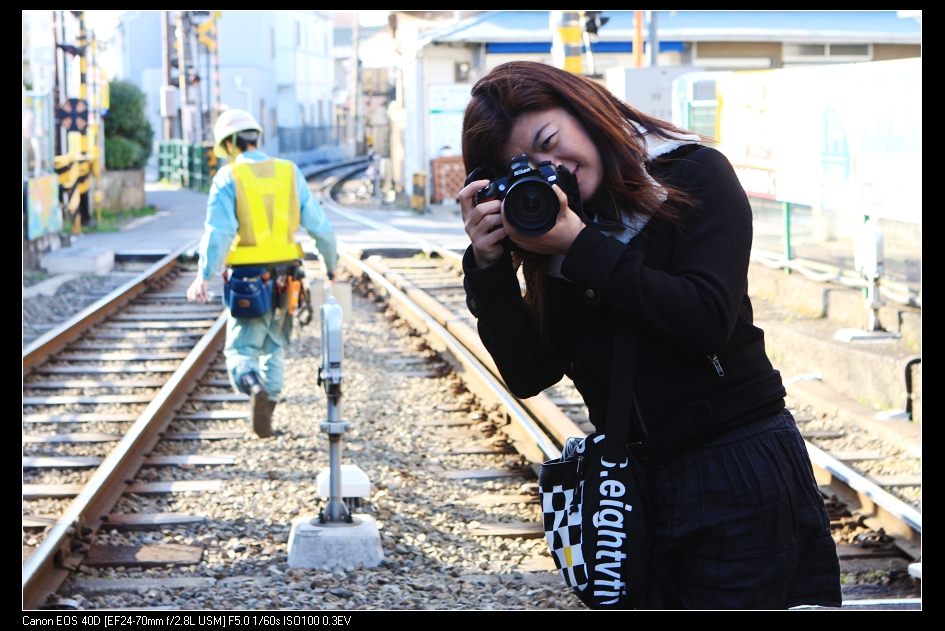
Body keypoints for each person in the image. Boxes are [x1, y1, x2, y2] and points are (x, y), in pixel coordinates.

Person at [458, 61, 841, 610]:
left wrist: (582, 246)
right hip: (631, 488)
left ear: (584, 111)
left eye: (551, 140)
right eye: (526, 166)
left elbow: (705, 317)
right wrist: (491, 268)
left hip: (736, 466)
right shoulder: (548, 227)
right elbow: (529, 373)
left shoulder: (693, 174)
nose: (551, 167)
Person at [187, 109, 338, 438]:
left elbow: (220, 233)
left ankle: (253, 386)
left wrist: (204, 275)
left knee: (241, 350)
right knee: (274, 346)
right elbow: (320, 227)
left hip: (247, 279)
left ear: (228, 145)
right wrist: (331, 264)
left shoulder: (228, 178)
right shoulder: (289, 171)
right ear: (256, 137)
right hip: (288, 278)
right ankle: (266, 414)